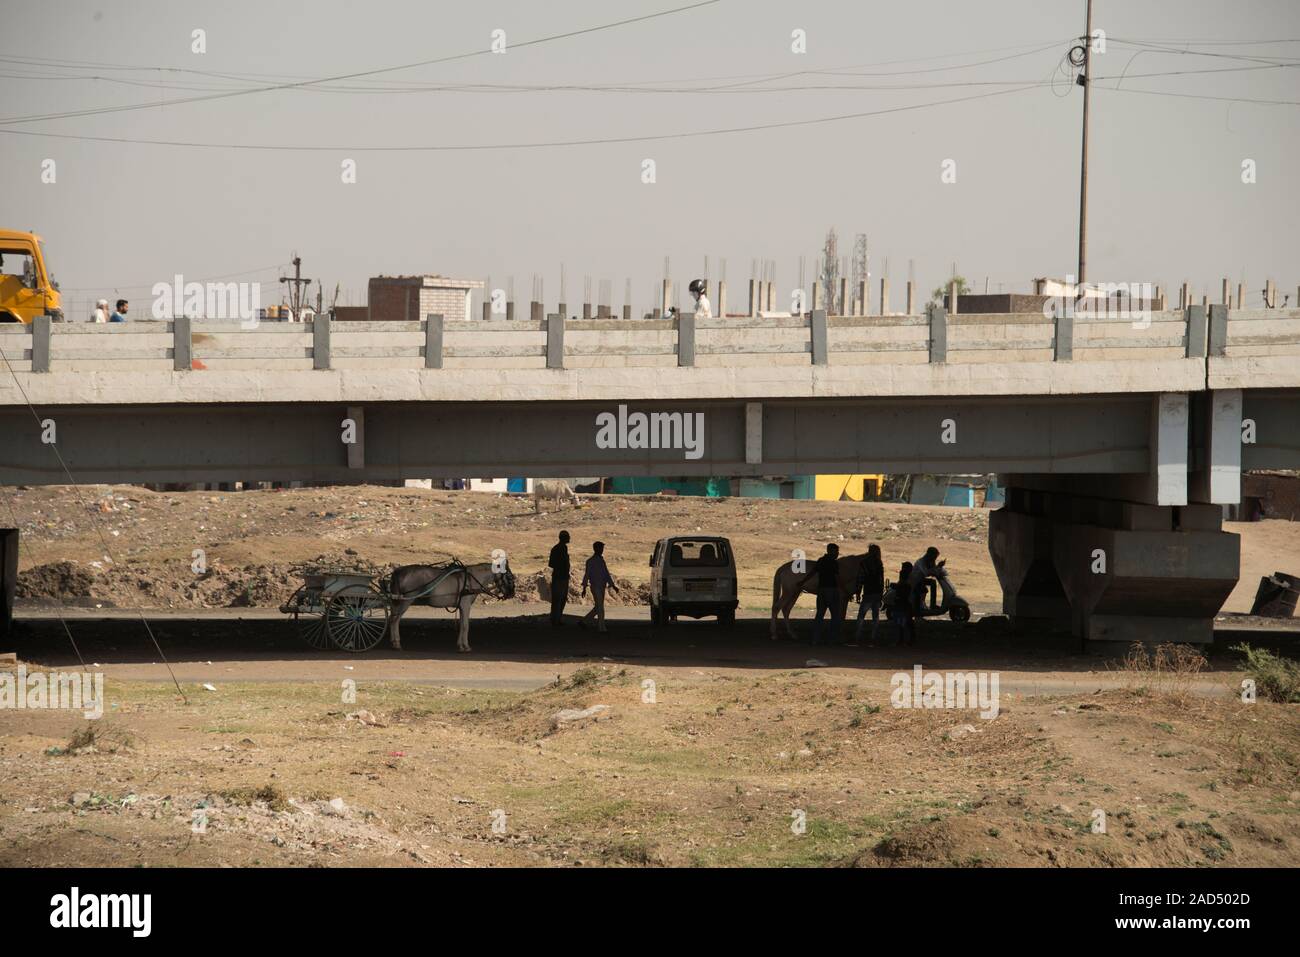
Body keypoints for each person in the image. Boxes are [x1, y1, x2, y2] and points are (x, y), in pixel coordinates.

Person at [804, 542, 842, 645]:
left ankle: (815, 639)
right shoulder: (834, 563)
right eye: (836, 551)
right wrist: (841, 589)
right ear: (831, 551)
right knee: (835, 615)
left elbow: (812, 573)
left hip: (821, 591)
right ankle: (832, 639)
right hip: (832, 590)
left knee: (819, 615)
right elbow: (837, 577)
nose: (838, 553)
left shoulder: (821, 561)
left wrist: (802, 582)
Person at [580, 540, 619, 632]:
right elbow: (587, 574)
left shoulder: (601, 560)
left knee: (598, 607)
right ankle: (601, 627)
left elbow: (606, 574)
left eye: (602, 548)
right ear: (595, 549)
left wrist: (612, 585)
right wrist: (584, 588)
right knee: (600, 607)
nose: (602, 550)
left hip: (602, 586)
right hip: (595, 586)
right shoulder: (590, 561)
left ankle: (584, 621)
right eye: (601, 548)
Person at [853, 543, 884, 643]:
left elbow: (860, 579)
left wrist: (857, 592)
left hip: (867, 593)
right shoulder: (879, 563)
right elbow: (881, 581)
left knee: (861, 616)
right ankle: (873, 637)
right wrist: (881, 595)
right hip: (877, 593)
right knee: (875, 616)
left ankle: (857, 636)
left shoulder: (864, 563)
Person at [909, 547, 943, 617]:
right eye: (935, 556)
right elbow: (926, 573)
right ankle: (919, 609)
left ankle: (932, 604)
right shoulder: (921, 562)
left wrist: (939, 567)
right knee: (924, 587)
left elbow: (933, 570)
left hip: (921, 580)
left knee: (933, 583)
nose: (935, 558)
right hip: (915, 581)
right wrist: (936, 569)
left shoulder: (930, 561)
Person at [888, 562, 916, 646]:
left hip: (904, 603)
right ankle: (907, 640)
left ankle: (903, 640)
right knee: (906, 622)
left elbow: (903, 589)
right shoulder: (911, 578)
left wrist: (896, 586)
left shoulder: (906, 579)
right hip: (907, 603)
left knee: (903, 623)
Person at [548, 530, 571, 627]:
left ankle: (557, 619)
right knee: (557, 599)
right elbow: (551, 564)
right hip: (559, 577)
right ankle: (555, 620)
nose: (569, 538)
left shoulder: (563, 548)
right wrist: (562, 566)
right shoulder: (557, 549)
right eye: (568, 537)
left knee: (562, 599)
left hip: (563, 577)